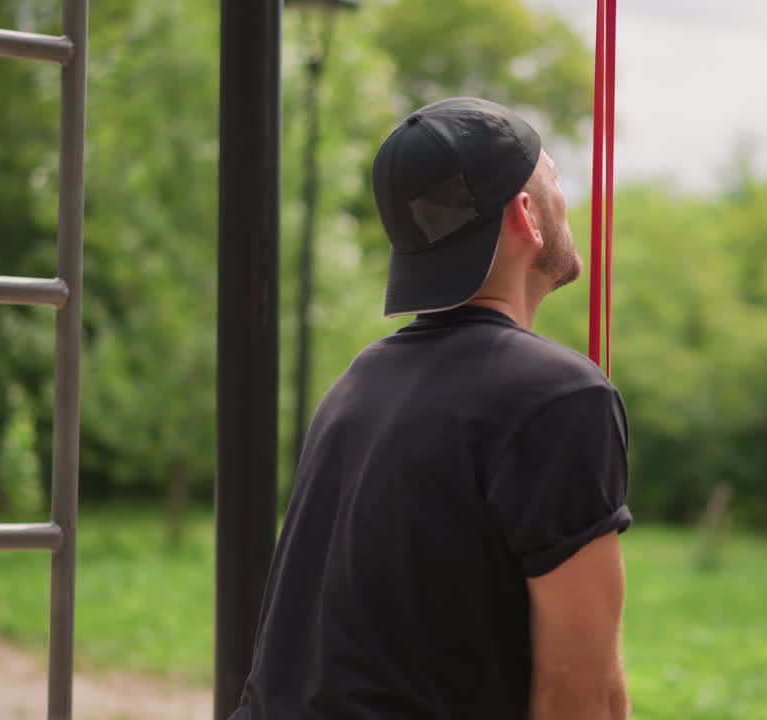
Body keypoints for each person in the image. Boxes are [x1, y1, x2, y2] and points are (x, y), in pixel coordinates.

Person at [229, 97, 632, 720]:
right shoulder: (558, 397)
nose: (564, 197)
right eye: (552, 177)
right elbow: (584, 697)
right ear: (527, 215)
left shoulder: (359, 383)